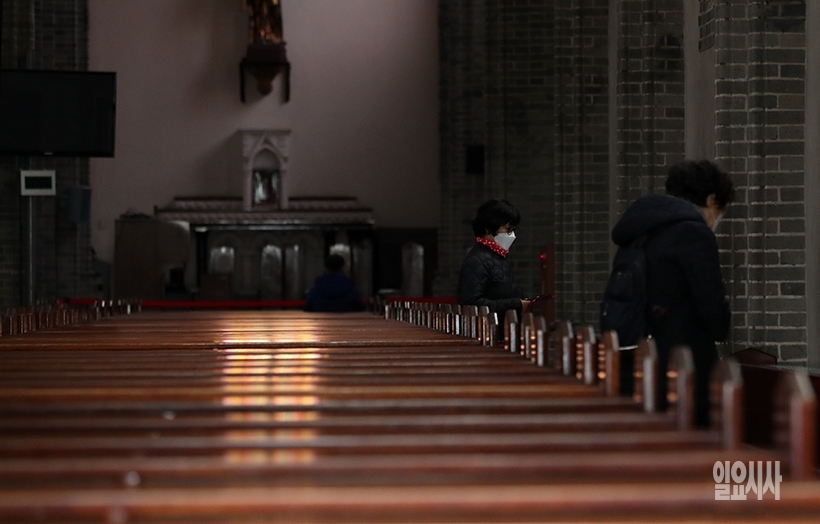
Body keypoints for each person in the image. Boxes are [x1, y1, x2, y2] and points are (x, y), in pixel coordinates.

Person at [610, 159, 735, 427]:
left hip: (637, 354)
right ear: (711, 199)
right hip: (684, 363)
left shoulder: (640, 230)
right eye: (719, 210)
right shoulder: (693, 233)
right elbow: (713, 309)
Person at [457, 199, 530, 316]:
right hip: (489, 326)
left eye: (513, 229)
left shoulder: (497, 256)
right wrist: (516, 304)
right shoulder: (477, 260)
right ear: (488, 228)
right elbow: (471, 303)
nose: (512, 234)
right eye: (507, 229)